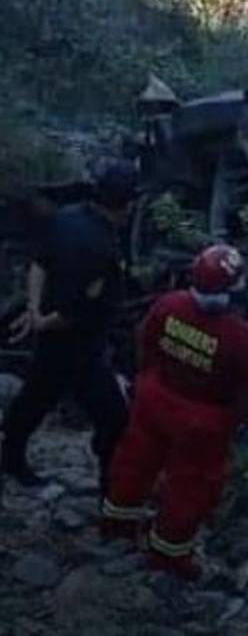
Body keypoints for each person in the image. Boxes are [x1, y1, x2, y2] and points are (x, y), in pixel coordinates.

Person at [99, 244, 248, 581]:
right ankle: (169, 553)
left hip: (155, 399)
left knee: (134, 462)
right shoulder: (239, 336)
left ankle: (117, 524)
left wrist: (146, 381)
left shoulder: (169, 304)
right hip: (202, 420)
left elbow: (145, 342)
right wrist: (239, 423)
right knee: (191, 485)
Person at [1, 159, 138, 488]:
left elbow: (39, 264)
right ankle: (110, 485)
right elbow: (78, 312)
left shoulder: (67, 216)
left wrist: (34, 313)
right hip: (80, 347)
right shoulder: (104, 249)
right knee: (114, 416)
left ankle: (11, 457)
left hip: (52, 336)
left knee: (35, 397)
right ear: (128, 204)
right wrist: (45, 322)